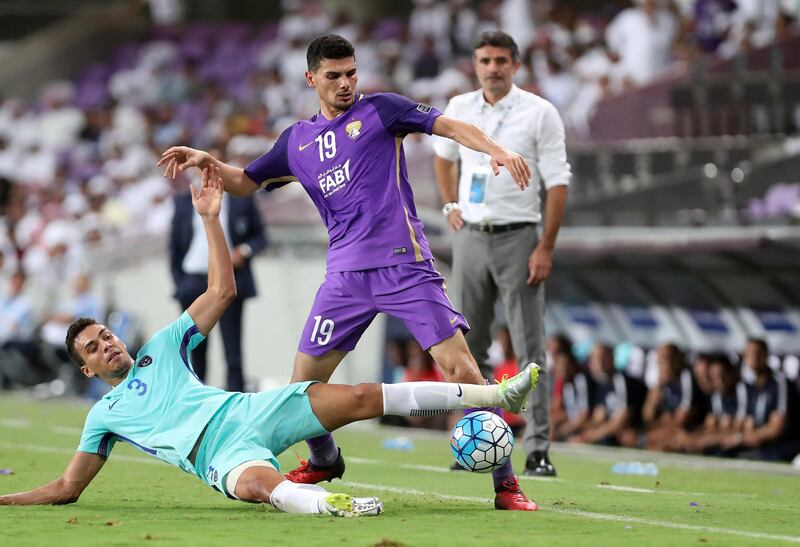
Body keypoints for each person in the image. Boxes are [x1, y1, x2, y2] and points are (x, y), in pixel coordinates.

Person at [0, 165, 539, 515]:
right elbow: (66, 489)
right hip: (215, 452)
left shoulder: (161, 345)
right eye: (93, 349)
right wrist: (7, 498)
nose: (107, 345)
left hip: (248, 412)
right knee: (260, 487)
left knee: (353, 397)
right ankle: (331, 504)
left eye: (106, 336)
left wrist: (212, 219)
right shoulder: (103, 417)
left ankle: (497, 396)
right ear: (87, 371)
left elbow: (222, 290)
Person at [158, 34, 539, 511]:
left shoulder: (382, 110)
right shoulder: (296, 141)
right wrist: (210, 162)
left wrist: (494, 150)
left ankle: (506, 485)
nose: (345, 84)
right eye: (334, 75)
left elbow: (450, 126)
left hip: (405, 266)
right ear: (311, 78)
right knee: (302, 387)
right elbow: (245, 182)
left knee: (463, 370)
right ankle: (325, 459)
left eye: (351, 73)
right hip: (344, 278)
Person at [433, 30, 570, 477]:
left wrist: (545, 246)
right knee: (468, 346)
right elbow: (442, 153)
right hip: (470, 235)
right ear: (475, 65)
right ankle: (478, 442)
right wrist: (450, 203)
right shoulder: (459, 107)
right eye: (485, 60)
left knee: (530, 348)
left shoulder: (539, 112)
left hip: (519, 237)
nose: (492, 68)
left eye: (500, 61)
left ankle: (538, 448)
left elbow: (558, 182)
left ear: (516, 65)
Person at [170, 166, 267, 392]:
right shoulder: (183, 203)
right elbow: (174, 248)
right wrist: (180, 283)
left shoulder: (241, 201)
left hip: (228, 280)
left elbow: (261, 237)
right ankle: (194, 398)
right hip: (193, 279)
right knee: (195, 348)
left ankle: (236, 401)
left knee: (232, 348)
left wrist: (243, 251)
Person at [569, 343, 646, 446]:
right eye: (595, 359)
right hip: (613, 432)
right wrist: (583, 433)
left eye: (603, 357)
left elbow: (621, 420)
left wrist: (588, 437)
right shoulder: (602, 384)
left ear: (612, 359)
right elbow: (598, 417)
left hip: (639, 431)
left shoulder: (621, 380)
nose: (600, 362)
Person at [641, 343, 702, 451]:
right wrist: (654, 396)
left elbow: (682, 421)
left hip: (687, 431)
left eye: (667, 358)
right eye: (660, 360)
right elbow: (647, 417)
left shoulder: (686, 378)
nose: (665, 364)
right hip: (663, 431)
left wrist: (648, 437)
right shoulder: (661, 384)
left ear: (678, 360)